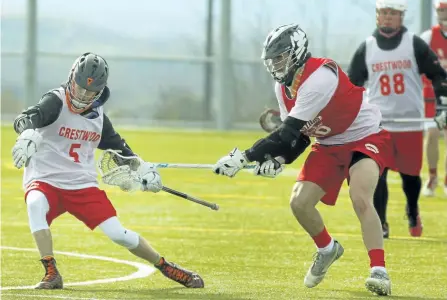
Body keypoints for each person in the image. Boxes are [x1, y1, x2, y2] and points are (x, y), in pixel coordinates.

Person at [212, 23, 404, 296]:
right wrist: (278, 160)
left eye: (280, 57)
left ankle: (379, 270)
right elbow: (297, 138)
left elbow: (287, 131)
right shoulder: (283, 89)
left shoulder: (320, 77)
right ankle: (327, 249)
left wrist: (243, 157)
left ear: (297, 52)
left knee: (360, 197)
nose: (276, 64)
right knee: (299, 203)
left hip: (364, 135)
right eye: (273, 59)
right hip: (328, 144)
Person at [11, 52, 204, 290]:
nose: (83, 95)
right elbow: (25, 119)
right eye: (80, 88)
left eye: (90, 92)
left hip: (82, 185)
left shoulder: (99, 118)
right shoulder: (56, 101)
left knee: (118, 234)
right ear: (71, 79)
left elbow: (122, 151)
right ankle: (51, 272)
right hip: (45, 180)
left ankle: (166, 266)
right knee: (35, 204)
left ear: (100, 91)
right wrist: (26, 133)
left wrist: (144, 170)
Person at [347, 0, 447, 238]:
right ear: (377, 15)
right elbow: (352, 85)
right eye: (384, 12)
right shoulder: (367, 47)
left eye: (393, 13)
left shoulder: (414, 43)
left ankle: (412, 210)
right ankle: (381, 223)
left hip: (410, 122)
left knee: (410, 177)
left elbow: (438, 76)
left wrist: (443, 107)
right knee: (378, 175)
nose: (388, 18)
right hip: (379, 125)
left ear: (401, 16)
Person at [421, 0, 447, 197]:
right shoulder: (428, 37)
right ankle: (432, 177)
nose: (443, 14)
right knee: (432, 133)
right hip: (432, 94)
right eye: (440, 10)